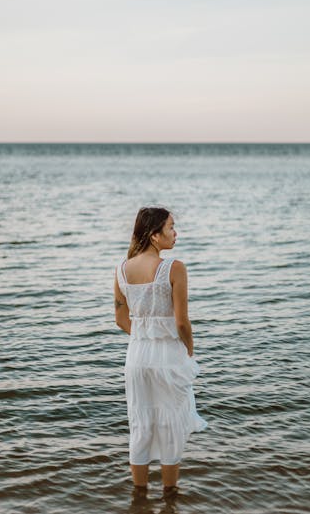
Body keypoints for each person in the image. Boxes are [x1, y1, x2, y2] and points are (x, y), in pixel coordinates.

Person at [114, 206, 208, 501]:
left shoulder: (121, 269)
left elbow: (120, 318)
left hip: (136, 356)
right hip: (167, 355)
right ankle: (170, 497)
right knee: (169, 425)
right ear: (155, 236)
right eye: (171, 228)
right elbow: (181, 321)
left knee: (140, 424)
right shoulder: (174, 267)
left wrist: (145, 337)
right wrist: (188, 348)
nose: (175, 233)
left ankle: (139, 498)